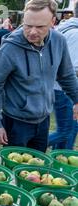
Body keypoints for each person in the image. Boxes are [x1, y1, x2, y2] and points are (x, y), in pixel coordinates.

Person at [0, 0, 78, 152]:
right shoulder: (9, 48)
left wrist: (76, 99)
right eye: (28, 25)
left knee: (37, 168)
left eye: (40, 27)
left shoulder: (59, 41)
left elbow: (66, 75)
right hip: (15, 122)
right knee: (14, 170)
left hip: (43, 121)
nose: (33, 32)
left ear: (53, 21)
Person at [48, 1, 78, 150]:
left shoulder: (66, 28)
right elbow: (70, 69)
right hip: (65, 90)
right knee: (66, 132)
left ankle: (58, 163)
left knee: (68, 131)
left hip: (59, 88)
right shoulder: (76, 33)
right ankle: (29, 146)